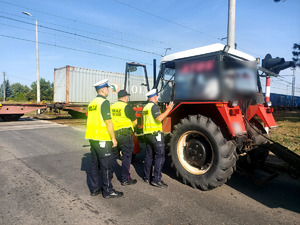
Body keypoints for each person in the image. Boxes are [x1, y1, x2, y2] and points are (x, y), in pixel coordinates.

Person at [85, 79, 123, 199]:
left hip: (92, 137)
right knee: (106, 164)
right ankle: (108, 191)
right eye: (107, 88)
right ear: (102, 90)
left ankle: (94, 189)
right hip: (102, 138)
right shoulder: (104, 102)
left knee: (94, 164)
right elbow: (108, 121)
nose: (108, 91)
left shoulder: (92, 103)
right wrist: (113, 138)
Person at [143, 89, 174, 188]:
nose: (157, 98)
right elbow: (159, 119)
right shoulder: (153, 106)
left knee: (149, 156)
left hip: (148, 135)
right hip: (156, 136)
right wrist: (168, 110)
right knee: (160, 156)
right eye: (156, 96)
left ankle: (146, 177)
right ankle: (156, 179)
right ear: (154, 97)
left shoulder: (145, 108)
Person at [111, 90, 138, 185]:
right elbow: (135, 122)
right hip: (125, 135)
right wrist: (131, 127)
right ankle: (125, 179)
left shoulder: (112, 107)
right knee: (127, 156)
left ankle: (109, 176)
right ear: (125, 97)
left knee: (114, 156)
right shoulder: (127, 107)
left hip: (114, 134)